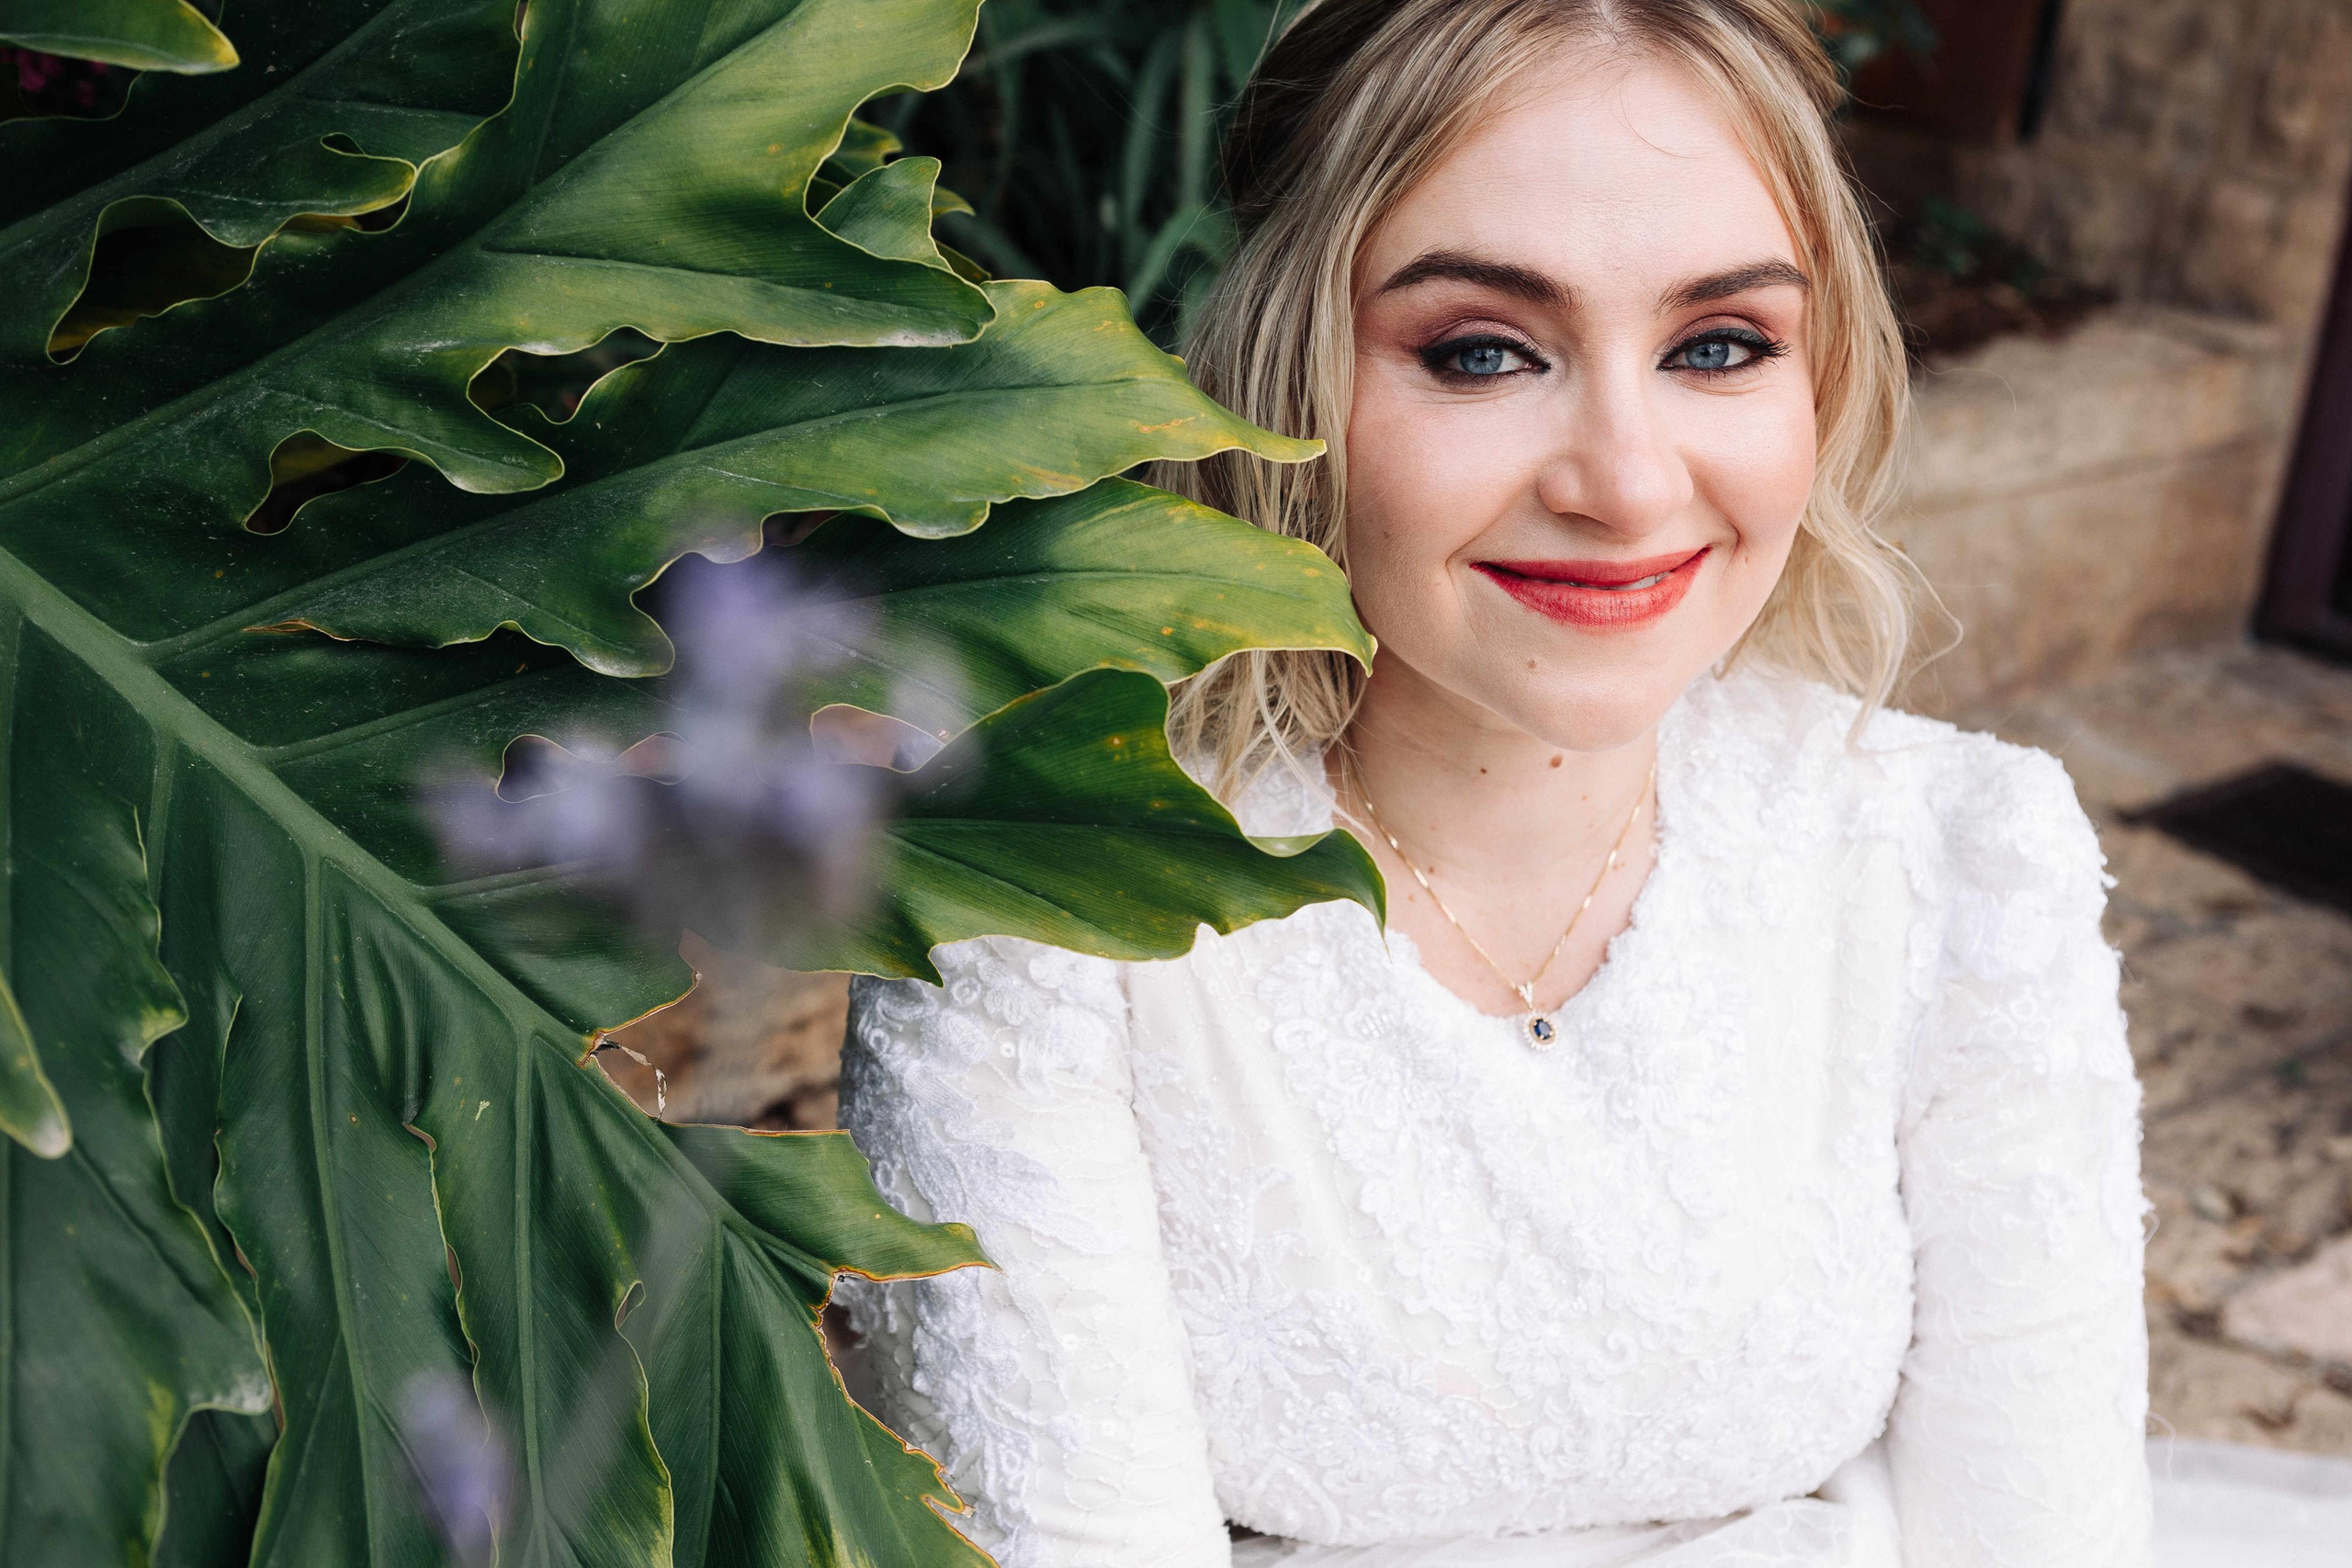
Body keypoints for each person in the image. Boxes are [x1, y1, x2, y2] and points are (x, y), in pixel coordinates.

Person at [837, 2, 2161, 1562]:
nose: (1627, 483)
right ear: (1291, 379)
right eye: (1482, 352)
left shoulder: (1964, 857)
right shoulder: (1045, 901)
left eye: (1717, 346)